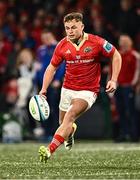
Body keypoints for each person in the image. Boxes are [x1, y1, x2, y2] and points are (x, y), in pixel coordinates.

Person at [38, 12, 122, 163]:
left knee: (70, 116)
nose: (70, 31)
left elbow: (116, 55)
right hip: (67, 88)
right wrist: (44, 89)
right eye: (67, 28)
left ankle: (49, 150)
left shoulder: (96, 42)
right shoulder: (62, 45)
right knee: (64, 124)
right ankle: (70, 133)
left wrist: (113, 79)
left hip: (87, 91)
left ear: (82, 27)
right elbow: (52, 68)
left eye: (74, 28)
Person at [35, 30, 65, 141]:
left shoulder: (58, 47)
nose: (45, 39)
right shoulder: (41, 49)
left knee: (54, 108)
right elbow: (39, 67)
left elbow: (62, 65)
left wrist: (57, 79)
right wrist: (37, 81)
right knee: (44, 109)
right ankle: (47, 133)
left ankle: (56, 133)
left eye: (47, 37)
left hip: (54, 84)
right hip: (43, 85)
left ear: (52, 36)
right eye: (44, 38)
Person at [114, 34, 140, 142]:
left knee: (131, 110)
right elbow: (113, 70)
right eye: (121, 41)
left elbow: (138, 71)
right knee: (120, 111)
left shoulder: (135, 55)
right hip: (118, 86)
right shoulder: (117, 55)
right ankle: (124, 133)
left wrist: (133, 84)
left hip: (129, 87)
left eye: (125, 41)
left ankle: (134, 134)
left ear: (130, 42)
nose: (123, 43)